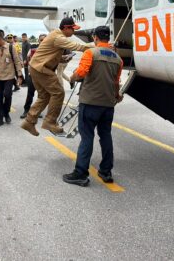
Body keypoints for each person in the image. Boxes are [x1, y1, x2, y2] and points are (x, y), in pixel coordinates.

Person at [62, 26, 123, 187]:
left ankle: (80, 173)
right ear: (107, 38)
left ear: (95, 37)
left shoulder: (90, 53)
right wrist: (117, 96)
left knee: (87, 137)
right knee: (106, 136)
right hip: (108, 105)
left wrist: (72, 78)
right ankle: (106, 171)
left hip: (90, 103)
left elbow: (81, 72)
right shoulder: (118, 59)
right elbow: (116, 82)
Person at [21, 17, 93, 136]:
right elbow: (78, 46)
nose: (74, 31)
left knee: (44, 96)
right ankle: (50, 122)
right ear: (66, 28)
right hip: (41, 69)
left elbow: (48, 53)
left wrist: (61, 58)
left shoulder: (55, 34)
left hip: (35, 67)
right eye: (73, 29)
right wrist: (98, 46)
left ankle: (29, 122)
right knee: (58, 93)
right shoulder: (59, 37)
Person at [0, 30, 24, 127]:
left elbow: (17, 61)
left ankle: (6, 113)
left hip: (9, 76)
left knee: (7, 95)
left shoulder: (10, 47)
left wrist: (20, 75)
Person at [20, 34, 47, 119]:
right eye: (41, 40)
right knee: (30, 94)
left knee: (41, 95)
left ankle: (37, 111)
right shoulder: (33, 48)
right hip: (32, 75)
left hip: (42, 76)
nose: (43, 41)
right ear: (38, 41)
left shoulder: (49, 49)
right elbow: (28, 57)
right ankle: (26, 110)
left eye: (44, 40)